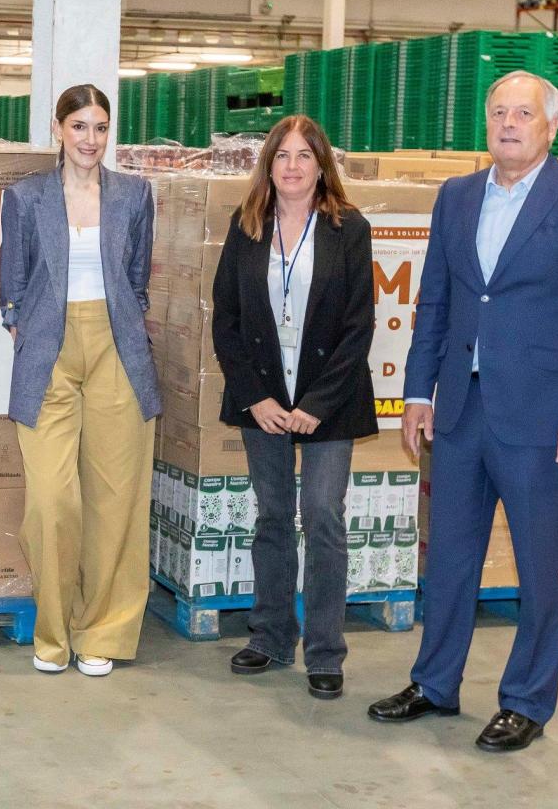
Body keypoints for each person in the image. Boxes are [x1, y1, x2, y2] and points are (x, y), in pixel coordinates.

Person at [368, 71, 558, 752]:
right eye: (498, 112)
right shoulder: (456, 197)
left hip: (543, 418)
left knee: (542, 568)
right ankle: (435, 683)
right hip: (460, 408)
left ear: (549, 127)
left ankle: (526, 700)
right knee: (451, 555)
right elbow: (438, 301)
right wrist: (419, 392)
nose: (508, 123)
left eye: (522, 113)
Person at [209, 116, 377, 701]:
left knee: (324, 518)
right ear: (269, 165)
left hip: (328, 397)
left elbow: (360, 326)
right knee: (274, 516)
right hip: (263, 395)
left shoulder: (349, 228)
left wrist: (317, 405)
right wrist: (256, 397)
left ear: (322, 164)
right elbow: (225, 319)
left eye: (305, 155)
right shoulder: (247, 224)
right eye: (282, 155)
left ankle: (325, 651)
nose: (293, 166)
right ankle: (272, 636)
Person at [0, 83, 160, 677]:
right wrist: (21, 324)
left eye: (100, 128)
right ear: (58, 129)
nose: (90, 140)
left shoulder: (136, 195)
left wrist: (122, 322)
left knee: (117, 499)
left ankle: (103, 633)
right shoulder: (26, 196)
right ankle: (53, 631)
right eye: (80, 127)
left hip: (117, 348)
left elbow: (138, 277)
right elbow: (10, 280)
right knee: (51, 499)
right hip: (49, 352)